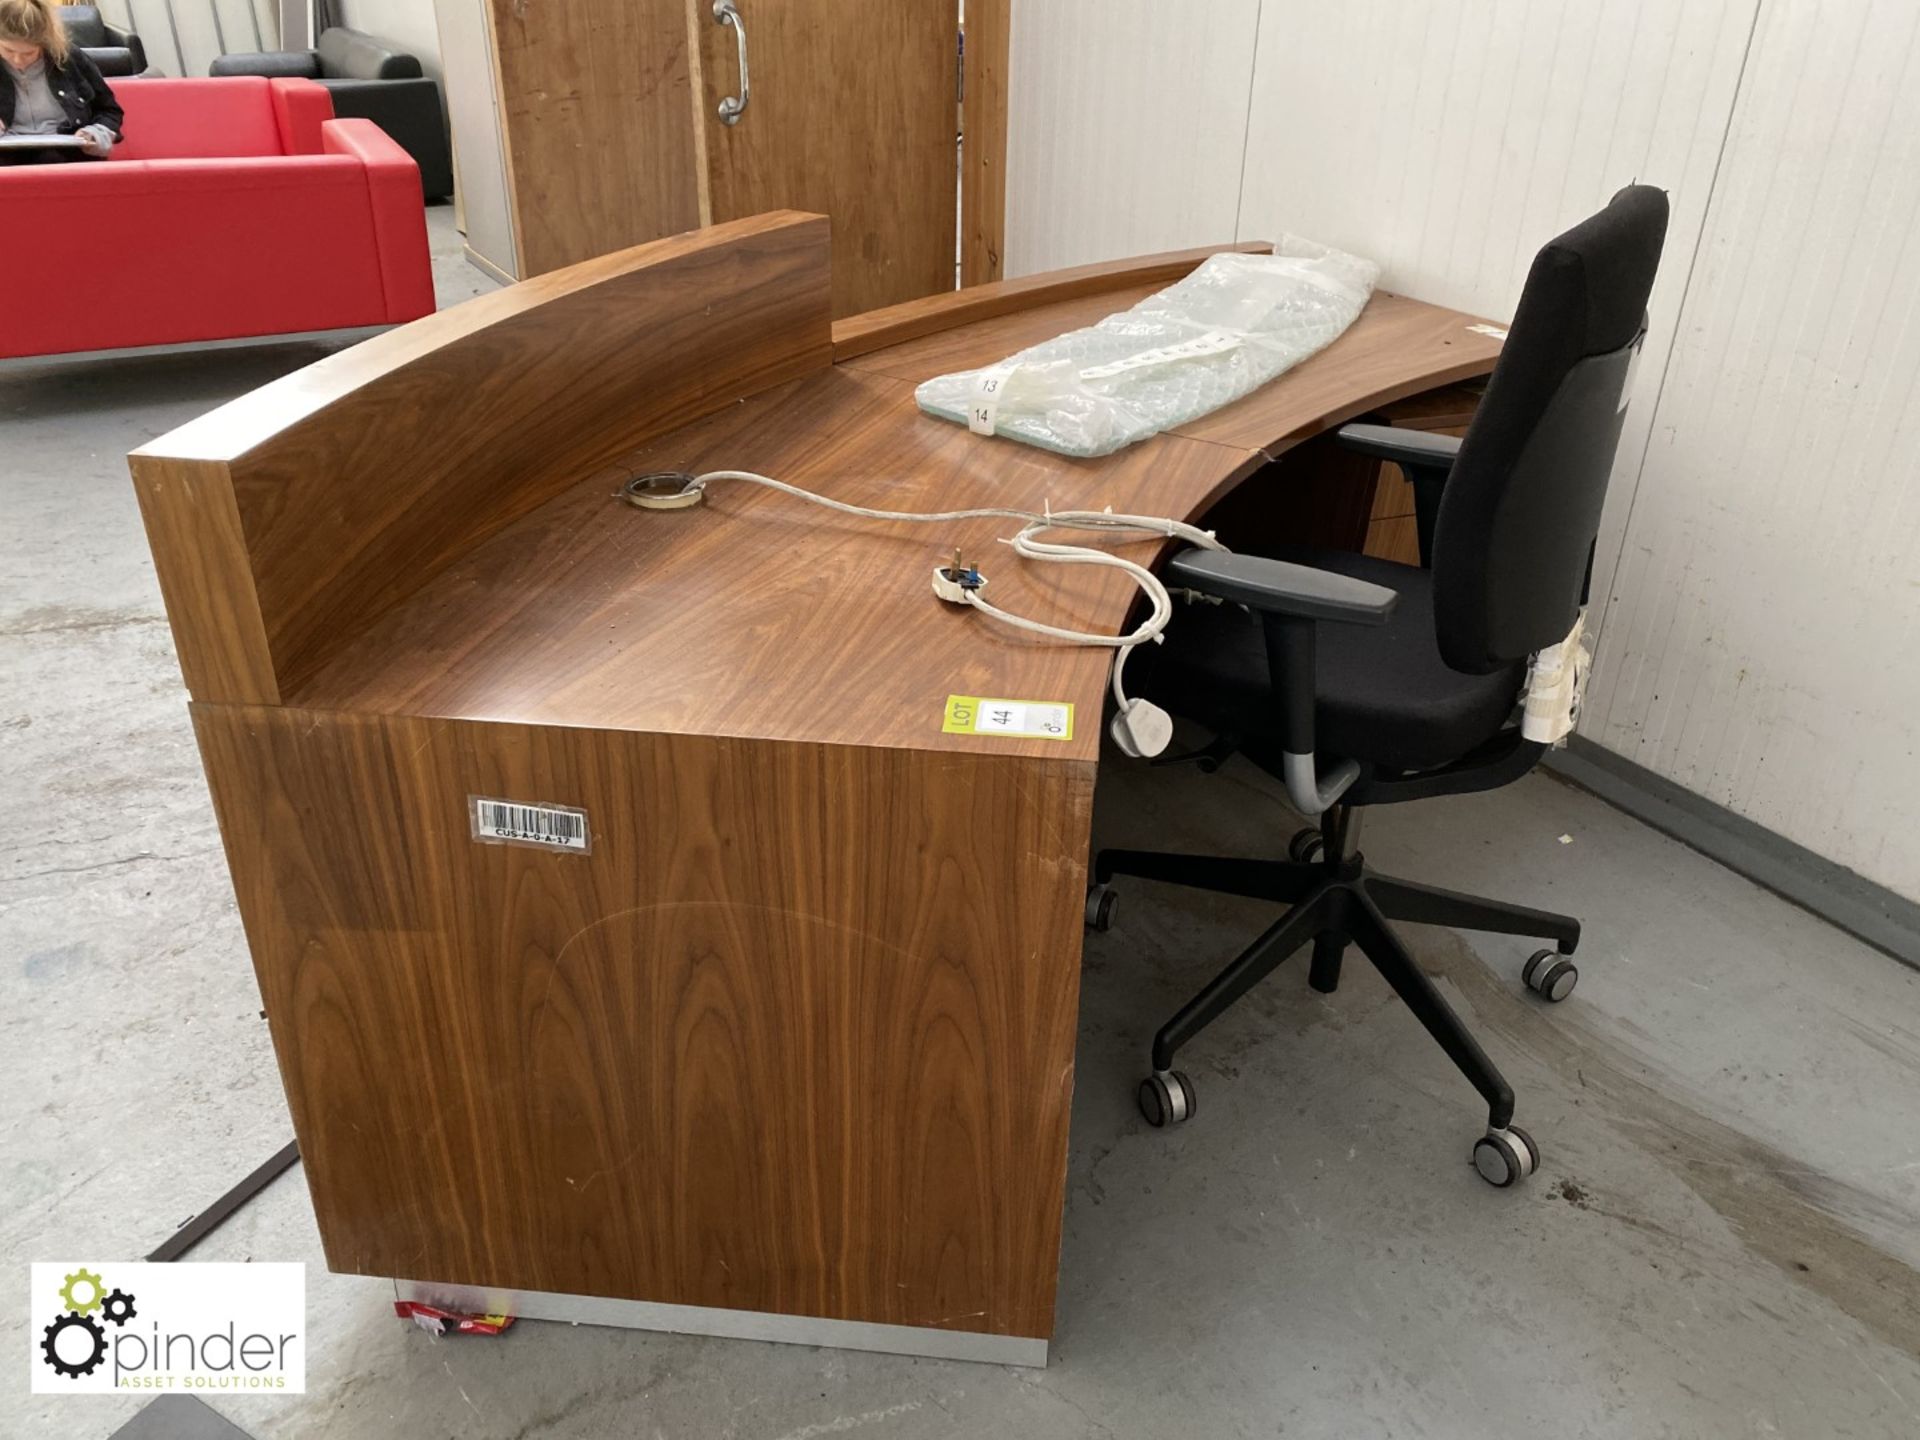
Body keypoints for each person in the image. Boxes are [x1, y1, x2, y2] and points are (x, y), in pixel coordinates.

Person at [0, 0, 123, 164]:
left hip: (67, 153)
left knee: (50, 160)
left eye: (29, 53)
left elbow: (109, 111)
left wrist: (95, 133)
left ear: (45, 43)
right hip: (5, 153)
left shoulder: (70, 59)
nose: (17, 60)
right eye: (8, 50)